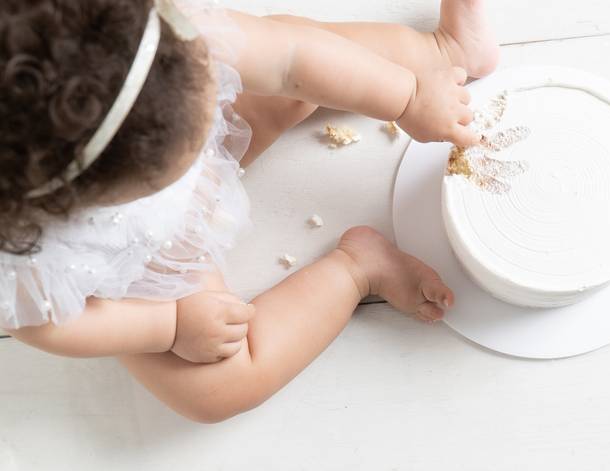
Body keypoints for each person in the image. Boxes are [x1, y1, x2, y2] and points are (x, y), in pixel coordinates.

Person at [0, 0, 499, 422]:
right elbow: (54, 326)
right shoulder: (22, 256)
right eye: (174, 164)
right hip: (142, 267)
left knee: (298, 60)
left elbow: (292, 58)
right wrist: (171, 325)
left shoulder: (154, 36)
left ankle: (441, 55)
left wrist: (407, 98)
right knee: (214, 391)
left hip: (170, 126)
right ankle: (358, 269)